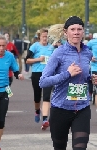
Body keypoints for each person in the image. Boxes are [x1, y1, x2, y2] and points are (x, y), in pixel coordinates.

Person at [39, 16, 92, 150]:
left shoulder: (88, 53)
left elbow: (84, 78)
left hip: (82, 108)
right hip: (60, 109)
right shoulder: (59, 53)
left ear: (83, 32)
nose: (76, 32)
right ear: (65, 32)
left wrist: (92, 79)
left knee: (80, 148)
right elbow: (43, 81)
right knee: (60, 147)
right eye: (72, 29)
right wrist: (67, 74)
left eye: (79, 29)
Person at [26, 28, 54, 130]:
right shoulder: (35, 46)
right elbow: (27, 60)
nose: (45, 38)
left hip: (48, 74)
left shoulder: (52, 47)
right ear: (39, 37)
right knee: (37, 96)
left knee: (46, 96)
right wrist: (38, 59)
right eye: (43, 36)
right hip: (37, 73)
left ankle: (45, 119)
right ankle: (37, 110)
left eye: (47, 37)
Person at [87, 33, 97, 111]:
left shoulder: (91, 42)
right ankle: (90, 94)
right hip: (94, 66)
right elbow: (85, 50)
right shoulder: (91, 42)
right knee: (91, 80)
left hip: (93, 66)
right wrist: (91, 57)